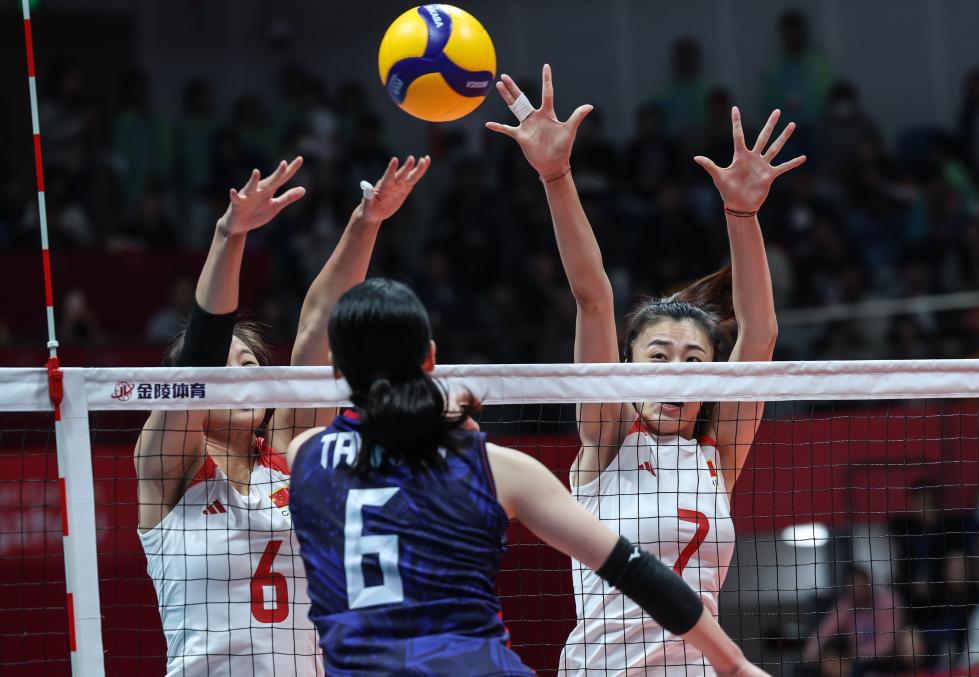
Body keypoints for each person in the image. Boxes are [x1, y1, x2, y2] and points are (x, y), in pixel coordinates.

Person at [487, 65, 803, 674]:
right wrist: (556, 175)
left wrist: (742, 215)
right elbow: (593, 297)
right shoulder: (607, 439)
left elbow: (760, 334)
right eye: (658, 357)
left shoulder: (718, 456)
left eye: (694, 361)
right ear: (626, 371)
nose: (675, 374)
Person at [286, 278, 766, 677]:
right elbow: (630, 567)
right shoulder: (493, 467)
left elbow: (313, 337)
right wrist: (734, 663)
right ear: (430, 359)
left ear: (334, 369)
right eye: (659, 355)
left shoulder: (305, 456)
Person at [135, 153, 430, 676]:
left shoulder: (293, 454)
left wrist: (367, 219)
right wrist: (230, 236)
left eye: (249, 366)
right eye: (224, 369)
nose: (240, 378)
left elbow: (319, 324)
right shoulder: (168, 469)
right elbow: (199, 358)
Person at [802, 565, 907, 671]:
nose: (858, 590)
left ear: (869, 584)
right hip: (857, 662)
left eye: (861, 585)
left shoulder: (887, 601)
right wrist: (809, 658)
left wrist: (854, 654)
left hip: (889, 658)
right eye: (853, 587)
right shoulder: (846, 605)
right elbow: (824, 632)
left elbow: (887, 642)